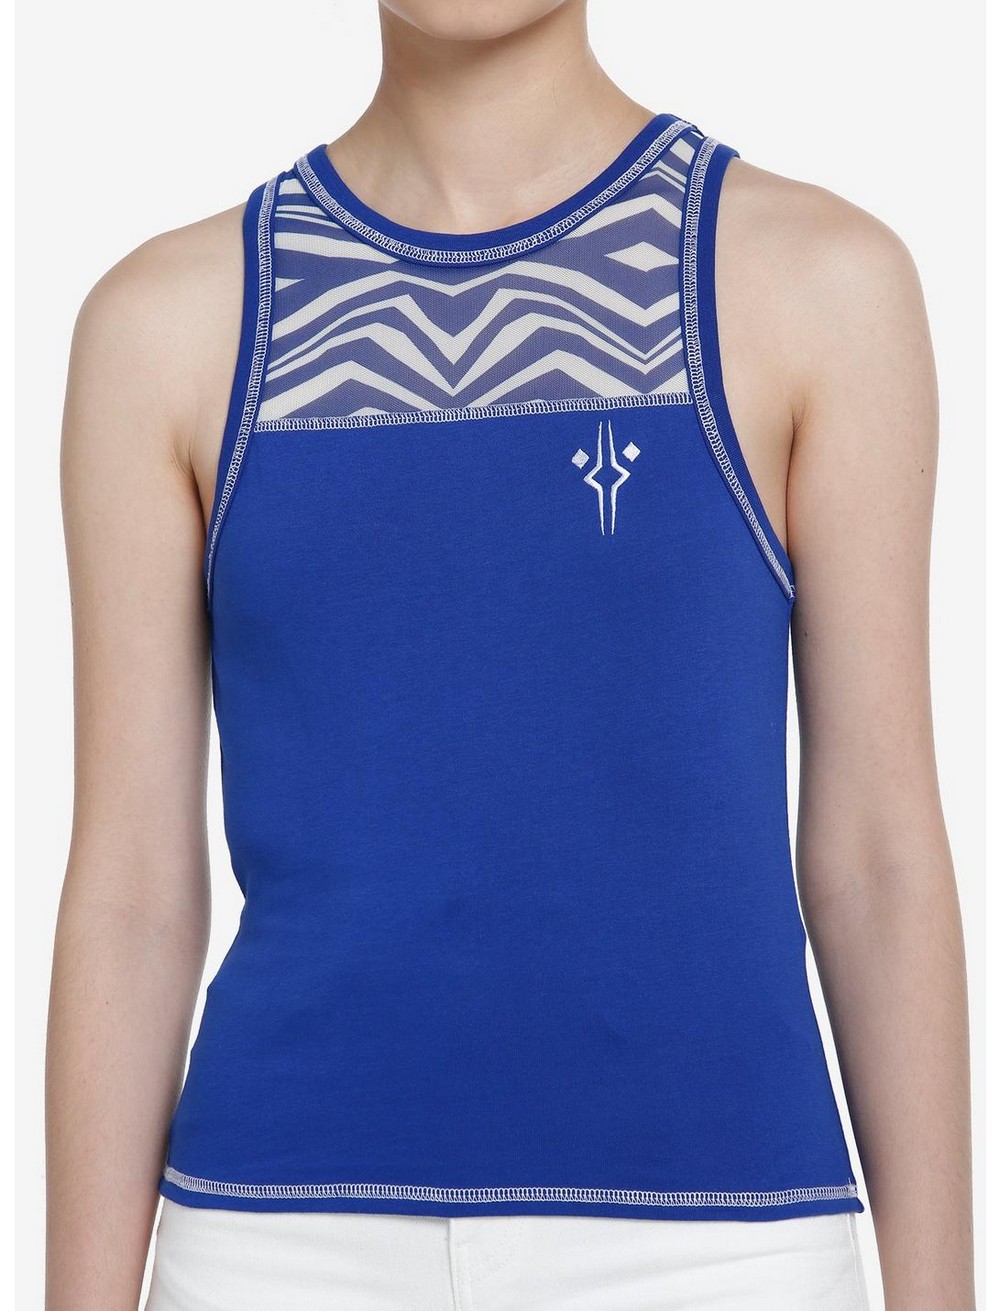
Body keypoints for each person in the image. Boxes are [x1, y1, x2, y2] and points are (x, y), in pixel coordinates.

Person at [45, 2, 975, 1309]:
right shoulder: (167, 325)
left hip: (718, 1251)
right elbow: (134, 888)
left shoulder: (818, 284)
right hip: (274, 1245)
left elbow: (879, 855)